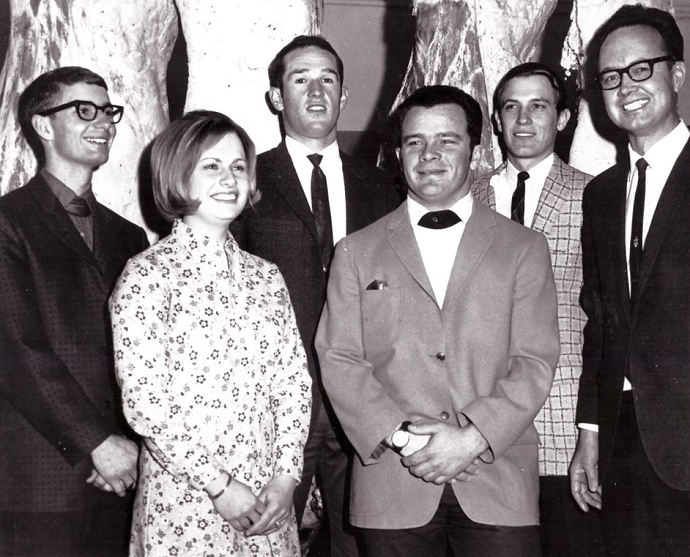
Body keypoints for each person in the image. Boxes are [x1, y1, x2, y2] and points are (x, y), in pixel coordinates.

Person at [315, 84, 560, 557]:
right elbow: (339, 357)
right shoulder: (355, 251)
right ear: (397, 152)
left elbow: (534, 360)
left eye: (446, 140)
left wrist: (472, 439)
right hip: (392, 482)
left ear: (475, 148)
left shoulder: (524, 248)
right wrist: (403, 439)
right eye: (414, 142)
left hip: (497, 480)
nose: (429, 155)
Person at [109, 110, 312, 557]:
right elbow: (146, 404)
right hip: (187, 500)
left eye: (238, 167)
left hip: (266, 501)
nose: (229, 178)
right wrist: (219, 485)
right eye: (211, 166)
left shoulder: (266, 276)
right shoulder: (147, 276)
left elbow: (293, 382)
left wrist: (286, 476)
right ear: (177, 174)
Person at [230, 34, 403, 556]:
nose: (316, 90)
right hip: (277, 405)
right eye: (300, 79)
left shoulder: (383, 187)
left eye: (328, 79)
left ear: (344, 95)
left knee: (361, 545)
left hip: (363, 405)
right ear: (276, 98)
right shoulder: (246, 181)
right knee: (267, 543)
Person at [0, 66, 149, 557]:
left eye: (108, 111)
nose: (103, 122)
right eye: (84, 111)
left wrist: (125, 449)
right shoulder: (7, 222)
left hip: (120, 481)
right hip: (40, 482)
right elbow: (18, 351)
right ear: (43, 125)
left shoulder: (128, 235)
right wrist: (98, 444)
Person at [569, 5, 690, 557]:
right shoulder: (600, 195)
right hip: (623, 442)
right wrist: (589, 432)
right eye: (611, 78)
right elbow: (602, 318)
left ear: (678, 75)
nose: (626, 87)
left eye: (642, 69)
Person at [472, 63, 603, 556]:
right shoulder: (467, 197)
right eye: (511, 107)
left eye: (539, 106)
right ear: (496, 122)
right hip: (479, 428)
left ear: (564, 118)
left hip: (564, 429)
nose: (524, 120)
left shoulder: (596, 196)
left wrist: (592, 429)